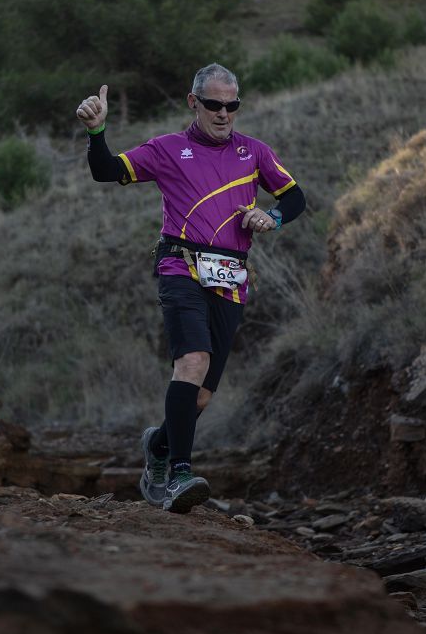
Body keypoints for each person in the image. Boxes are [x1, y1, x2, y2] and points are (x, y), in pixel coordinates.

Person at [76, 63, 306, 513]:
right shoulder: (167, 149)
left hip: (231, 278)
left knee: (200, 395)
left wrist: (271, 217)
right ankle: (178, 473)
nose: (224, 114)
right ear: (193, 103)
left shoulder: (255, 152)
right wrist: (97, 130)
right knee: (193, 360)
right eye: (214, 105)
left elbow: (294, 198)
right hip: (180, 265)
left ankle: (159, 447)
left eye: (232, 105)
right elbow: (106, 171)